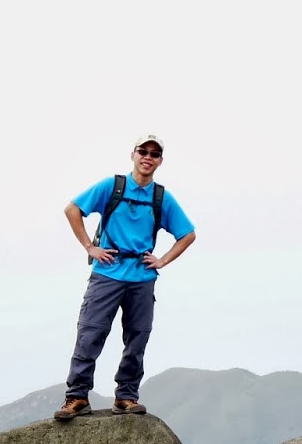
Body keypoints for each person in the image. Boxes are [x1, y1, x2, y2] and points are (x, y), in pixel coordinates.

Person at [53, 135, 197, 420]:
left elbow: (188, 234)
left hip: (142, 277)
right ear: (133, 154)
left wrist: (162, 260)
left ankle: (126, 397)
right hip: (107, 272)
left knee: (137, 338)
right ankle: (77, 396)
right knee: (91, 332)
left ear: (160, 161)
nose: (148, 157)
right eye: (143, 151)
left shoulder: (161, 198)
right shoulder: (113, 186)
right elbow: (72, 210)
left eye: (154, 154)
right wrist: (90, 247)